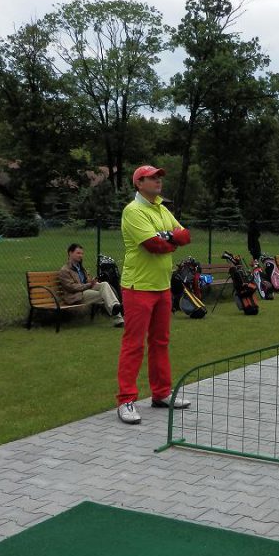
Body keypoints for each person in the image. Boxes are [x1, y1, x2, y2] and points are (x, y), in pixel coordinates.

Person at [116, 165, 194, 425]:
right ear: (139, 183)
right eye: (152, 177)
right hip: (138, 287)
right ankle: (126, 400)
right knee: (134, 344)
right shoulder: (133, 210)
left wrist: (168, 237)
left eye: (159, 177)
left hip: (161, 286)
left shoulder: (161, 208)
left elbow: (186, 235)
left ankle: (161, 394)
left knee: (160, 342)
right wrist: (171, 240)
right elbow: (154, 245)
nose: (158, 180)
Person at [58, 243, 125, 327]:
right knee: (105, 295)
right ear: (70, 253)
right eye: (78, 253)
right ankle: (118, 318)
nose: (81, 255)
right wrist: (89, 285)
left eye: (82, 253)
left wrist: (93, 281)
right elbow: (71, 287)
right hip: (76, 296)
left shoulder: (80, 267)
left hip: (86, 291)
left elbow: (87, 281)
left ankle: (115, 307)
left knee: (104, 284)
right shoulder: (65, 270)